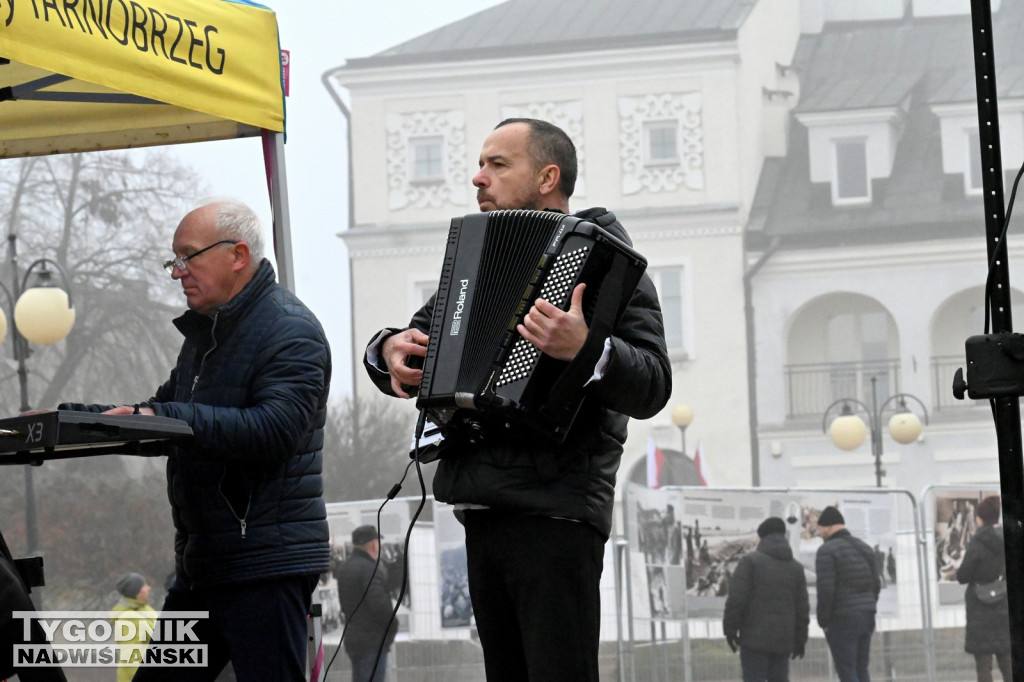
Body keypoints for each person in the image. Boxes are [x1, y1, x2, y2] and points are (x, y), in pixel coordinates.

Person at [363, 118, 671, 680]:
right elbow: (418, 348)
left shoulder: (612, 266)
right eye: (480, 165)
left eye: (498, 165)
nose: (478, 179)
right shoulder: (478, 256)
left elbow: (652, 384)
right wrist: (385, 350)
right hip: (482, 510)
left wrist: (586, 349)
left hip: (558, 513)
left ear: (548, 176)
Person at [58, 199, 332, 681]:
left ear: (238, 254)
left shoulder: (291, 330)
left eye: (187, 257)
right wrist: (68, 421)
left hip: (265, 566)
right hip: (207, 564)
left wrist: (162, 414)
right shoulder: (206, 336)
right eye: (173, 260)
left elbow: (273, 431)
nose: (176, 272)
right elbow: (157, 414)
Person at [723, 517, 809, 682]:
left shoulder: (750, 562)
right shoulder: (796, 568)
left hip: (753, 641)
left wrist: (730, 630)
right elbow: (802, 609)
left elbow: (736, 600)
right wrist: (800, 640)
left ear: (761, 538)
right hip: (783, 641)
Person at [814, 506, 881, 682]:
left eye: (820, 528)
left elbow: (826, 589)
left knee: (846, 670)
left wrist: (823, 621)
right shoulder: (864, 547)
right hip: (866, 616)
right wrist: (869, 606)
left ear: (828, 527)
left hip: (842, 619)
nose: (819, 532)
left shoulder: (826, 551)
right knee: (861, 668)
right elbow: (876, 584)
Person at [956, 495, 1011, 682]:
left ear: (981, 518)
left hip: (980, 611)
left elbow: (962, 576)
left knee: (984, 665)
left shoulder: (977, 542)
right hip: (1004, 606)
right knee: (1007, 661)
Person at [335, 525, 398, 682]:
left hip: (353, 639)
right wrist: (393, 625)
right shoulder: (370, 569)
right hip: (372, 641)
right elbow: (379, 604)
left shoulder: (345, 568)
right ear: (374, 545)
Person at [110, 572, 157, 682]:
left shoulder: (146, 609)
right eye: (144, 585)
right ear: (136, 591)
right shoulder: (128, 618)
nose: (148, 588)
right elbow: (131, 659)